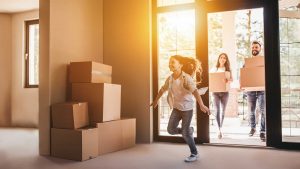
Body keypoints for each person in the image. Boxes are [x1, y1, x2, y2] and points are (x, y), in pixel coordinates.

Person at [150, 55, 210, 162]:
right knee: (170, 130)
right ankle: (188, 131)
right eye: (169, 62)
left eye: (173, 62)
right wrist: (155, 101)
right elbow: (162, 90)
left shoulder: (186, 78)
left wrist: (201, 105)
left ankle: (194, 153)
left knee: (185, 133)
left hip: (187, 109)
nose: (170, 64)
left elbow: (195, 91)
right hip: (177, 108)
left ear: (180, 65)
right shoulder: (170, 79)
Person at [246, 41, 266, 142]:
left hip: (262, 89)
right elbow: (244, 74)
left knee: (263, 111)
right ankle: (253, 128)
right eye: (253, 47)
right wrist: (242, 84)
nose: (254, 49)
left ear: (260, 48)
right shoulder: (247, 61)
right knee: (251, 112)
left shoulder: (263, 60)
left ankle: (262, 131)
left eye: (256, 47)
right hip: (250, 90)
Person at [210, 53, 233, 139]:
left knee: (223, 111)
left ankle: (221, 128)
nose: (222, 59)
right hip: (215, 93)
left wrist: (228, 80)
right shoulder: (214, 69)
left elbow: (232, 79)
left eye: (224, 58)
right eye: (221, 57)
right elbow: (211, 79)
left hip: (225, 93)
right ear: (218, 59)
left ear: (226, 60)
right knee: (217, 111)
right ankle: (218, 129)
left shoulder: (228, 69)